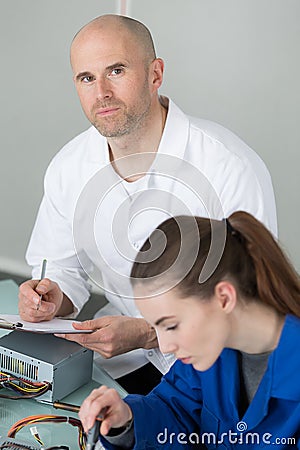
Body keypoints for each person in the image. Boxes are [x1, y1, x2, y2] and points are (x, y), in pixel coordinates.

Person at [18, 14, 277, 394]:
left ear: (155, 74)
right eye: (86, 78)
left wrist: (152, 333)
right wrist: (51, 298)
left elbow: (253, 299)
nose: (101, 91)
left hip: (215, 364)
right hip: (119, 358)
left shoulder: (227, 166)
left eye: (117, 70)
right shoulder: (68, 166)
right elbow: (60, 267)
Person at [79, 211, 300, 449]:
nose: (164, 346)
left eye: (171, 326)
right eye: (157, 327)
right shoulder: (210, 352)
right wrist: (126, 422)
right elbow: (174, 411)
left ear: (224, 298)